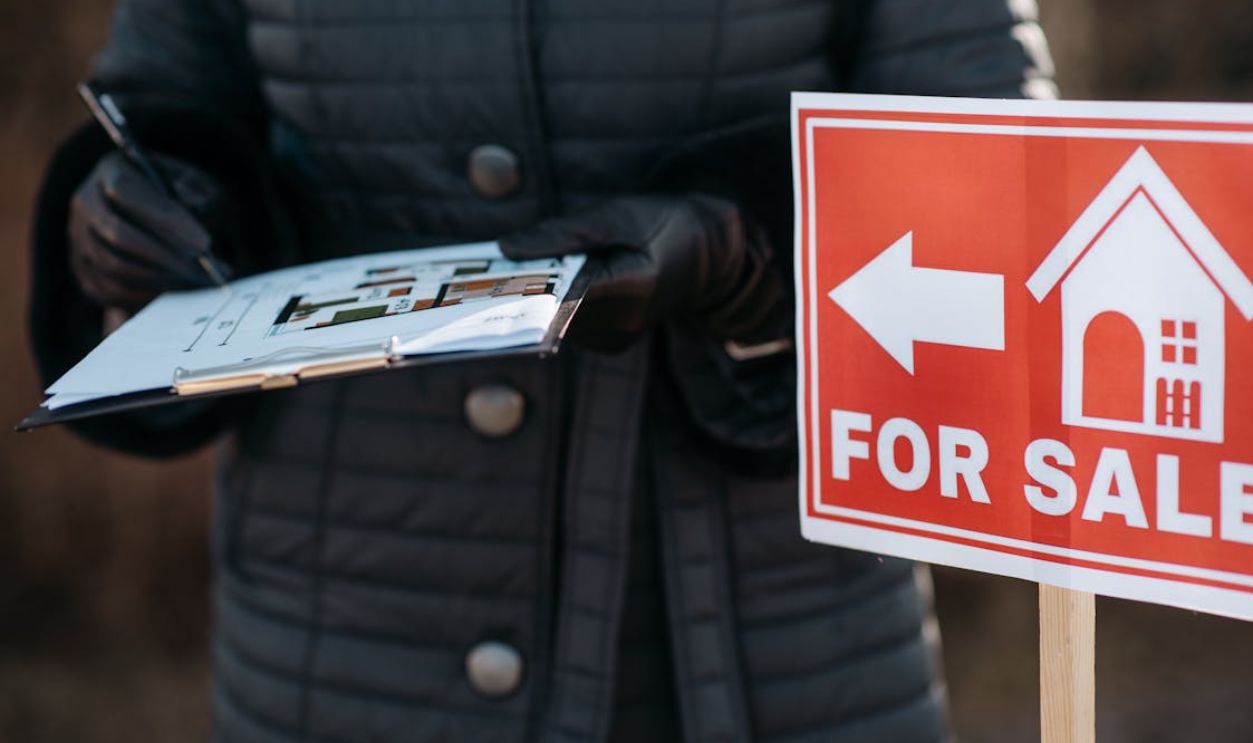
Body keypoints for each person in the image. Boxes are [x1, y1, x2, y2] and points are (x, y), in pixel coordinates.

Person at [29, 1, 1055, 740]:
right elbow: (167, 90)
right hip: (337, 624)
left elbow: (991, 162)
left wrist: (748, 254)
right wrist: (150, 210)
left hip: (749, 635)